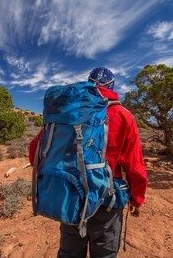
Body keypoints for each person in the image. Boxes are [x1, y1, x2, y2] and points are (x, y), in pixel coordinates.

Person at [29, 67, 147, 258]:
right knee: (104, 253)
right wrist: (137, 198)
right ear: (112, 86)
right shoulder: (123, 115)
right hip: (108, 197)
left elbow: (35, 150)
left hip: (71, 192)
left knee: (70, 251)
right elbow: (134, 165)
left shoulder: (68, 112)